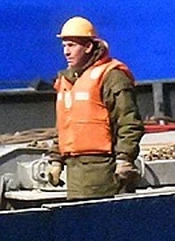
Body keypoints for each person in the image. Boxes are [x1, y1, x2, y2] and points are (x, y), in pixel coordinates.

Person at [47, 16, 144, 200]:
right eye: (64, 46)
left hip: (103, 171)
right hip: (75, 174)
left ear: (88, 47)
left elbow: (129, 121)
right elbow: (65, 126)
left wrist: (124, 158)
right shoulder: (66, 81)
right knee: (80, 222)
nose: (66, 52)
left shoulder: (111, 77)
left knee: (101, 223)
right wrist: (56, 159)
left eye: (71, 45)